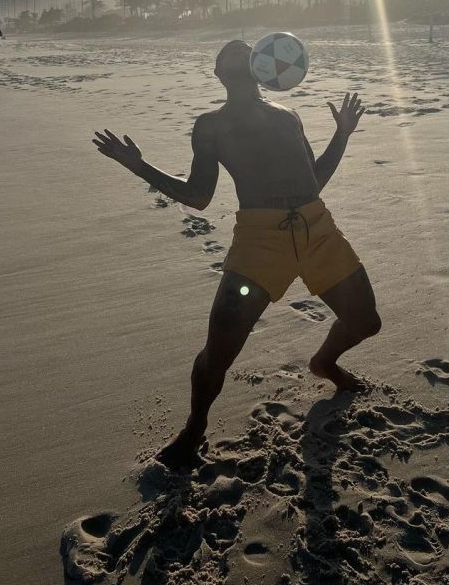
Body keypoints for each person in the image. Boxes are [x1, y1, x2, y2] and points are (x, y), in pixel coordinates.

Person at [92, 39, 381, 471]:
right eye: (225, 54)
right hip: (259, 241)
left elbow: (315, 179)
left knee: (365, 322)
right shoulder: (210, 126)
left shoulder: (288, 116)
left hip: (317, 228)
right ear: (218, 75)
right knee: (219, 350)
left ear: (259, 65)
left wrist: (341, 136)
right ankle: (194, 428)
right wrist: (138, 165)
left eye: (243, 50)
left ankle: (324, 362)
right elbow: (198, 195)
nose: (236, 54)